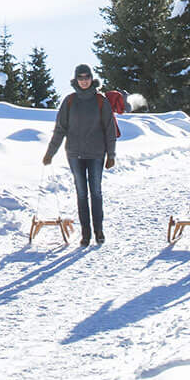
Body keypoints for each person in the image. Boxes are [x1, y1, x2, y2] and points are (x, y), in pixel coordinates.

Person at [42, 62, 119, 246]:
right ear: (76, 80)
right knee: (81, 193)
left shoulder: (101, 101)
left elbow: (109, 129)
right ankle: (86, 233)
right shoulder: (69, 101)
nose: (84, 81)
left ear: (92, 79)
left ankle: (99, 230)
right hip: (74, 154)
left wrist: (111, 155)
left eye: (87, 77)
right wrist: (50, 153)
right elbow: (60, 129)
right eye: (80, 78)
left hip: (96, 154)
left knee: (96, 192)